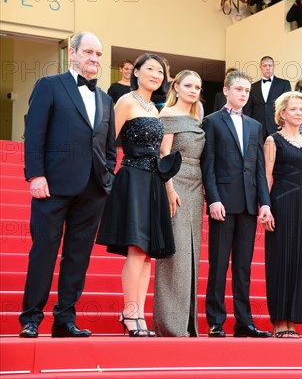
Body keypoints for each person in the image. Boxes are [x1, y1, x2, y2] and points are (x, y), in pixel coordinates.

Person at [19, 31, 116, 339]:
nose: (94, 59)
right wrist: (36, 175)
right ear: (72, 53)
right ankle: (31, 318)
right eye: (89, 52)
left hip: (93, 189)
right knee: (44, 251)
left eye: (99, 54)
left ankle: (65, 319)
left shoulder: (105, 99)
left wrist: (107, 177)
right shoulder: (50, 86)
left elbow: (108, 146)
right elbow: (34, 133)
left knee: (78, 256)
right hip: (53, 185)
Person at [96, 54, 175, 337]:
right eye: (150, 69)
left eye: (160, 72)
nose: (156, 75)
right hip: (132, 177)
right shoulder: (126, 101)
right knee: (136, 248)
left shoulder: (154, 108)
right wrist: (106, 176)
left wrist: (168, 188)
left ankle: (139, 313)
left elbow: (162, 151)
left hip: (153, 180)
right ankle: (130, 314)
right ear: (137, 72)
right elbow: (106, 141)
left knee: (147, 254)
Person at [200, 70, 273, 338]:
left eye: (246, 90)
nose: (243, 94)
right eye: (238, 89)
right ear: (227, 91)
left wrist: (264, 203)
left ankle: (244, 322)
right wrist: (213, 199)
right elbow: (208, 164)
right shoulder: (212, 121)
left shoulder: (255, 126)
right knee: (218, 264)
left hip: (249, 205)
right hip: (223, 203)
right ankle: (216, 321)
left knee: (243, 267)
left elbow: (258, 170)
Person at [263, 91, 302, 338]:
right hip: (282, 202)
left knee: (300, 261)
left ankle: (293, 320)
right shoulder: (272, 140)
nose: (299, 113)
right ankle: (279, 321)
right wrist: (265, 207)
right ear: (282, 113)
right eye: (294, 109)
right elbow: (266, 176)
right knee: (281, 259)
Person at [153, 70, 205, 337]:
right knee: (176, 255)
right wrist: (169, 189)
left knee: (192, 254)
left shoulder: (198, 118)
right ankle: (170, 324)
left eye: (197, 86)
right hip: (176, 183)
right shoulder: (168, 114)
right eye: (188, 85)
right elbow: (163, 154)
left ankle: (186, 323)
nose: (193, 90)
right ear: (176, 86)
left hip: (197, 187)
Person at [245, 56, 291, 140]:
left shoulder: (284, 84)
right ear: (260, 67)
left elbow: (288, 105)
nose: (267, 68)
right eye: (265, 66)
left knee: (278, 152)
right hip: (257, 129)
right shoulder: (252, 87)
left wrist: (285, 123)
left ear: (274, 67)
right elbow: (248, 109)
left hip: (277, 127)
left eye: (270, 65)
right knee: (258, 153)